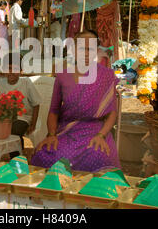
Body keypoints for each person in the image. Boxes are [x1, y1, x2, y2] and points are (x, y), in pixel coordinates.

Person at [31, 30, 120, 172]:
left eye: (90, 49)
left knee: (99, 155)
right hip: (67, 131)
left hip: (95, 131)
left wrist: (101, 135)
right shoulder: (62, 75)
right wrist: (52, 135)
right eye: (81, 48)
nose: (86, 53)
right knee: (46, 155)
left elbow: (112, 113)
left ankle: (93, 193)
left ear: (96, 51)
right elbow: (53, 111)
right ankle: (55, 191)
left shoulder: (106, 75)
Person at [0, 52, 41, 159]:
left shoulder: (26, 83)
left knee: (13, 132)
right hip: (4, 120)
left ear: (21, 71)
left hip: (23, 119)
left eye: (15, 69)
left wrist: (33, 124)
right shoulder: (1, 83)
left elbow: (36, 104)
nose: (11, 72)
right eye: (8, 68)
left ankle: (17, 160)